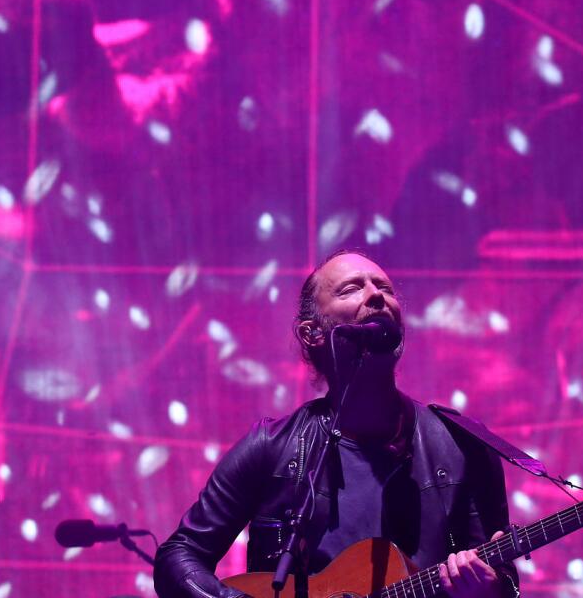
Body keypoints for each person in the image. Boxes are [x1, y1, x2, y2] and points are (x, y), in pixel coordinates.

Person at [153, 251, 519, 598]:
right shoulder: (272, 446)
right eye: (352, 288)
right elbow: (177, 558)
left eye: (385, 288)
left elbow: (503, 581)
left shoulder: (463, 446)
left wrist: (491, 590)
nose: (376, 295)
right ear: (312, 333)